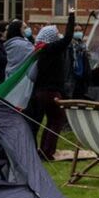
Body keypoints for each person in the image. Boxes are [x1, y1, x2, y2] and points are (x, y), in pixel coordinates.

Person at [23, 12, 77, 160]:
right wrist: (71, 16)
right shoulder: (52, 49)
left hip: (41, 92)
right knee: (57, 120)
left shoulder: (42, 50)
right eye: (56, 33)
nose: (58, 35)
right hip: (51, 92)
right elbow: (68, 38)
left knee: (51, 120)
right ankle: (47, 152)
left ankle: (44, 150)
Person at [62, 23, 90, 100]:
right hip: (70, 79)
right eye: (76, 30)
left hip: (81, 79)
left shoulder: (83, 46)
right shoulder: (67, 46)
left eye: (80, 30)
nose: (78, 32)